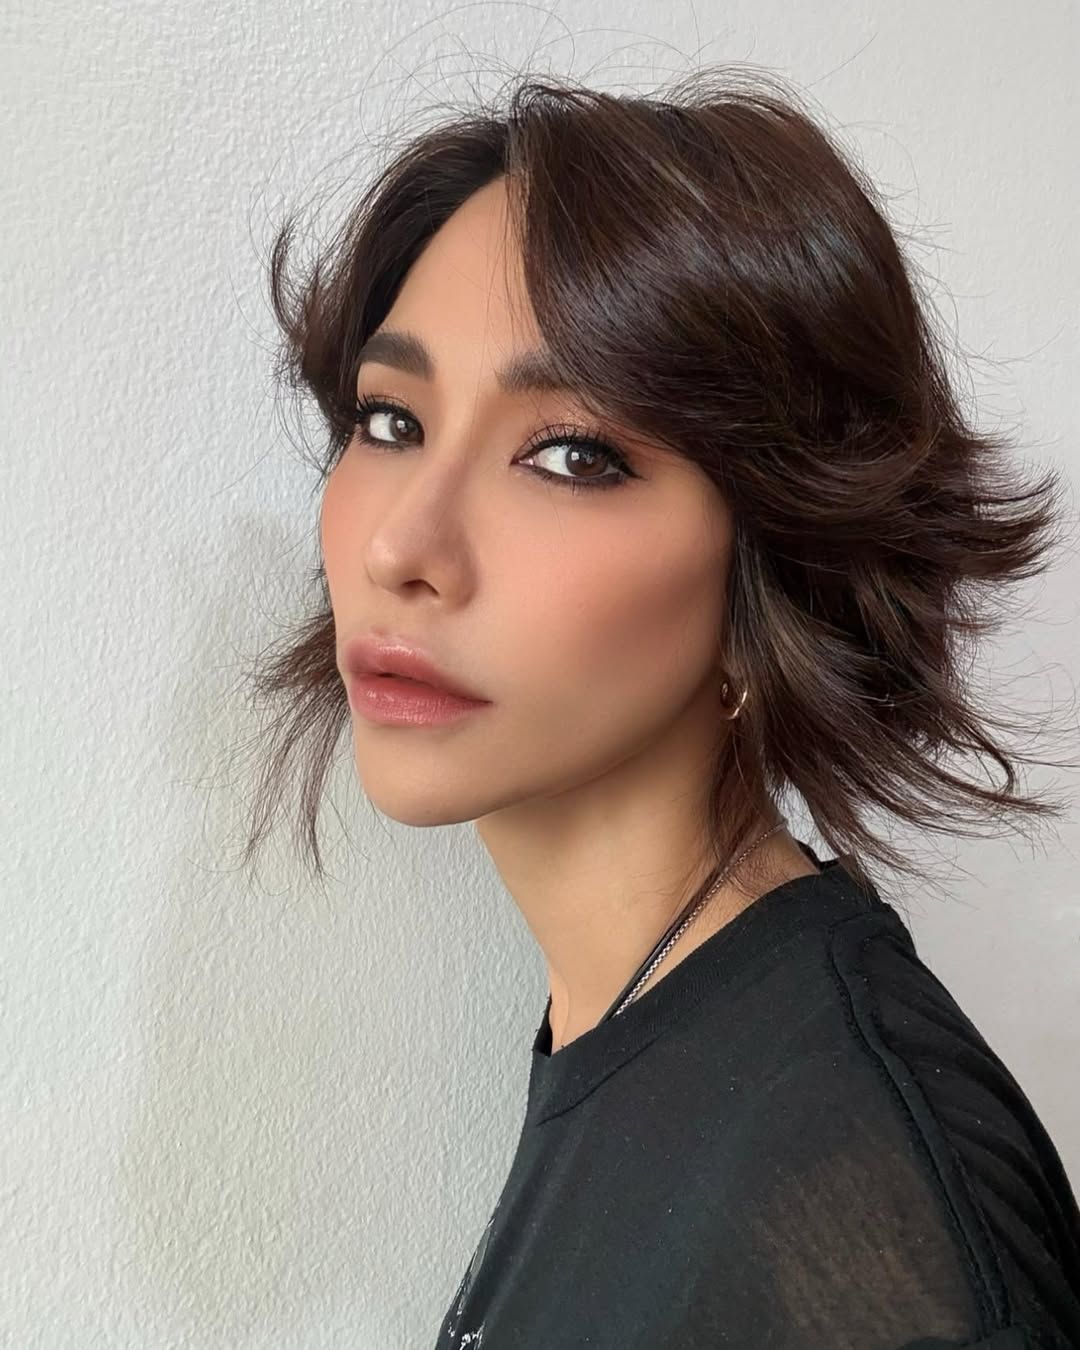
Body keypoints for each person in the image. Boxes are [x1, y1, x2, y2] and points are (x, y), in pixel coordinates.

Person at [240, 66, 1080, 1348]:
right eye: (392, 420)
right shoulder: (642, 1023)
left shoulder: (859, 1212)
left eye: (572, 455)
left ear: (775, 557)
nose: (403, 545)